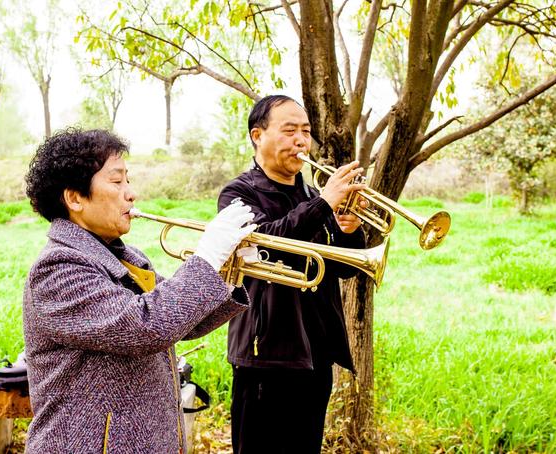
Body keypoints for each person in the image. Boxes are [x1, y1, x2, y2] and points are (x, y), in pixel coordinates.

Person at [22, 128, 256, 453]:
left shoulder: (127, 257)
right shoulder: (58, 269)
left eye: (128, 181)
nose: (131, 194)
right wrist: (207, 257)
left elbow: (180, 324)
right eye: (117, 182)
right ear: (74, 197)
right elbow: (145, 327)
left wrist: (230, 272)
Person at [218, 95, 367, 454]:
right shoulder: (237, 194)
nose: (301, 140)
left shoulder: (313, 193)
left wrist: (350, 229)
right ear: (258, 135)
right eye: (289, 131)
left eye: (306, 131)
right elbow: (267, 247)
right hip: (265, 352)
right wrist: (323, 205)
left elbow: (344, 268)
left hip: (315, 352)